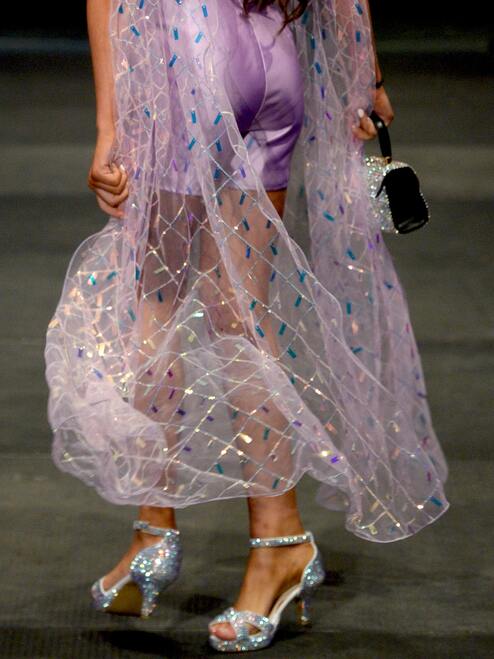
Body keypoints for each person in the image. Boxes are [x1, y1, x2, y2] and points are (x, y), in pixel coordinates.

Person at [44, 0, 449, 653]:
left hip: (186, 55)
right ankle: (276, 539)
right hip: (275, 54)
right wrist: (367, 73)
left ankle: (157, 533)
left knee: (156, 306)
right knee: (244, 319)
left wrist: (109, 124)